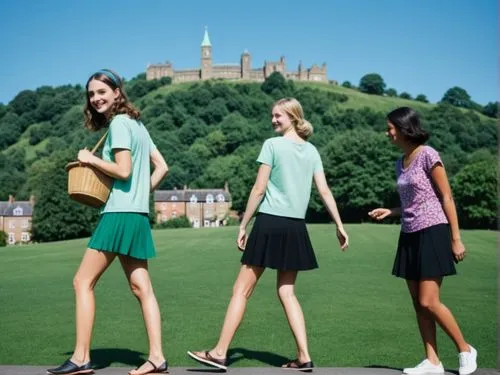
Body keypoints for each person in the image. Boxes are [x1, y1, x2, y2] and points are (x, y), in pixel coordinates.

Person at [187, 97, 349, 372]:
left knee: (241, 290)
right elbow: (324, 191)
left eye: (279, 116)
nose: (273, 119)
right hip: (295, 228)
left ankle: (219, 353)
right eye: (272, 115)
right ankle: (304, 357)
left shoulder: (271, 145)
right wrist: (339, 224)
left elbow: (258, 189)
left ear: (294, 117)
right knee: (287, 292)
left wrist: (242, 224)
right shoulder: (311, 151)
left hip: (270, 223)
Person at [47, 69, 169, 375]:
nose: (96, 98)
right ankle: (157, 358)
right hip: (137, 214)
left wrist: (90, 159)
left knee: (82, 282)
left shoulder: (118, 124)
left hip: (117, 215)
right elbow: (162, 166)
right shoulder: (138, 125)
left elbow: (124, 170)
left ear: (117, 92)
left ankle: (81, 357)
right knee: (143, 288)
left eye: (102, 91)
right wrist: (141, 195)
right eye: (91, 94)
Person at [368, 107, 477, 375]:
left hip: (433, 231)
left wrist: (456, 238)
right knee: (418, 303)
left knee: (429, 301)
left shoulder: (428, 155)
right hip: (409, 234)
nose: (387, 133)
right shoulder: (399, 162)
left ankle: (465, 349)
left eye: (390, 128)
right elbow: (412, 201)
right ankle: (433, 361)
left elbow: (446, 197)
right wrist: (391, 211)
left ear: (405, 128)